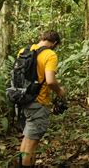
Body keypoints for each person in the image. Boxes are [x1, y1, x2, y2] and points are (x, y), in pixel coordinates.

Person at [18, 30, 66, 167]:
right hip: (38, 102)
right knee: (31, 145)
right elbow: (50, 81)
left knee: (27, 139)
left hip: (23, 99)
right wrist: (60, 91)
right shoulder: (50, 54)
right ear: (55, 43)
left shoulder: (24, 50)